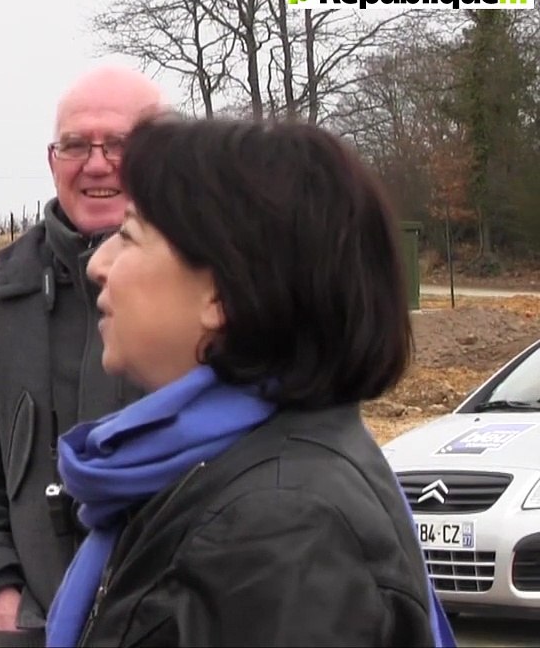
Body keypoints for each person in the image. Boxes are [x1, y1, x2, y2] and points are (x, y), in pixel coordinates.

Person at [46, 116, 456, 646]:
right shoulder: (210, 473)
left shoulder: (282, 530)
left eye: (128, 235)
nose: (98, 264)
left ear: (221, 294)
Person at [0, 64, 165, 644]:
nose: (96, 164)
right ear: (53, 161)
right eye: (76, 145)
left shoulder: (211, 292)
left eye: (119, 144)